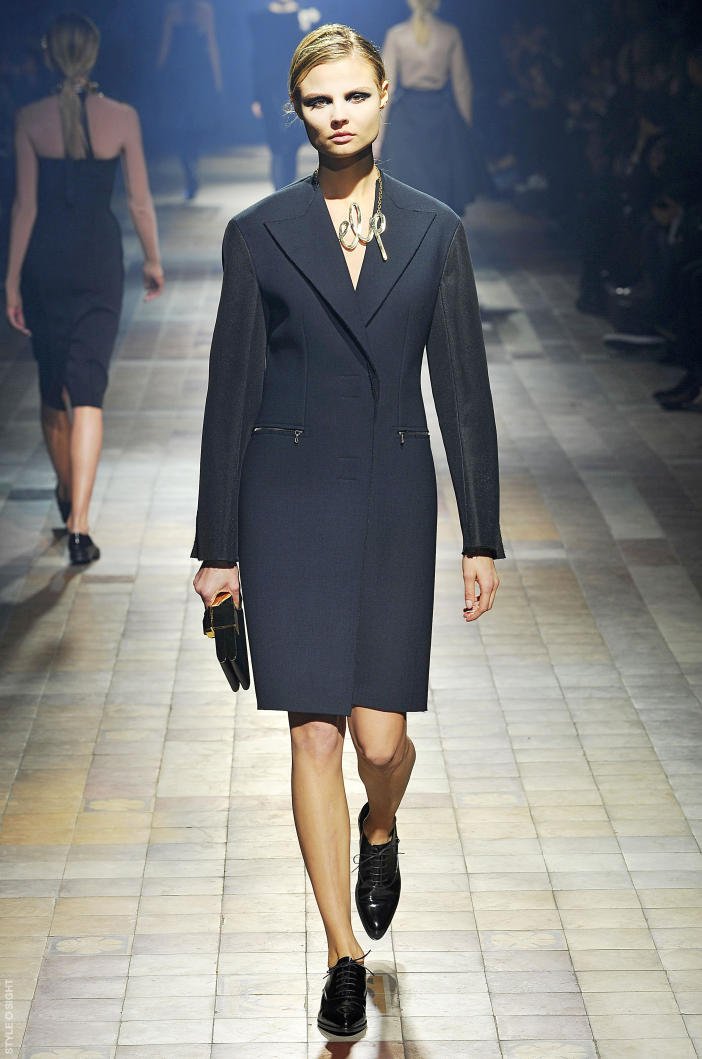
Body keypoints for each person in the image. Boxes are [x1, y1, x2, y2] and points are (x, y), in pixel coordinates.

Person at [192, 23, 502, 1037]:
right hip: (286, 500)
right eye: (319, 99)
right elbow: (230, 391)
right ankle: (340, 953)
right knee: (314, 731)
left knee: (382, 738)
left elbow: (463, 391)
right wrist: (218, 546)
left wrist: (482, 534)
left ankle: (383, 823)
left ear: (384, 97)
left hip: (393, 498)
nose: (338, 114)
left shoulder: (435, 230)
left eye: (354, 96)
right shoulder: (259, 232)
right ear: (298, 108)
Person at [5, 13, 164, 565]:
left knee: (54, 393)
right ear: (93, 54)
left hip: (45, 263)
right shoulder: (122, 118)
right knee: (89, 390)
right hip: (99, 261)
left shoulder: (29, 118)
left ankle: (68, 494)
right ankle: (79, 525)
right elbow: (139, 201)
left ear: (49, 54)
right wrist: (152, 259)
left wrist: (11, 279)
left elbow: (25, 207)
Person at [379, 0, 486, 213]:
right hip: (442, 116)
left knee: (408, 183)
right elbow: (462, 85)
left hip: (406, 118)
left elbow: (386, 88)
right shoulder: (449, 34)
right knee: (441, 190)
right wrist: (464, 129)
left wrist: (378, 136)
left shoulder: (397, 35)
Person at [249, 1, 320, 190]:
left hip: (296, 85)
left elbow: (312, 56)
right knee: (277, 143)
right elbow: (257, 59)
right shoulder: (259, 18)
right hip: (269, 89)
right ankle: (280, 191)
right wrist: (256, 96)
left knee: (292, 141)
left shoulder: (305, 16)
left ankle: (284, 189)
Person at [157, 0, 223, 199]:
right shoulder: (201, 11)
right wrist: (217, 80)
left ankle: (190, 165)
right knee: (192, 125)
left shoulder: (175, 12)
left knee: (185, 126)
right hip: (195, 76)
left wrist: (159, 74)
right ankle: (191, 164)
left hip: (181, 77)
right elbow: (211, 46)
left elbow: (165, 47)